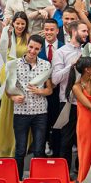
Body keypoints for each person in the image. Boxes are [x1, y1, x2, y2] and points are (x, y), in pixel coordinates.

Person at [9, 35, 53, 179]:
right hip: (21, 112)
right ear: (27, 45)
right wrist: (13, 97)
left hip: (40, 112)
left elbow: (50, 90)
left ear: (41, 50)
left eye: (37, 49)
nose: (33, 51)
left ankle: (38, 182)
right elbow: (8, 90)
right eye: (31, 47)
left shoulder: (46, 65)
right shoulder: (14, 64)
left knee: (39, 150)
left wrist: (40, 91)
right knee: (20, 150)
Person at [51, 21, 91, 172]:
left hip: (86, 102)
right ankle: (65, 177)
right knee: (66, 141)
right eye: (83, 31)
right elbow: (55, 79)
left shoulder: (88, 50)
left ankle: (81, 175)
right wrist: (72, 65)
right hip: (68, 102)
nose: (86, 34)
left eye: (87, 31)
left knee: (84, 140)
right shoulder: (61, 52)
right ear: (73, 32)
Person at [0, 12, 30, 158]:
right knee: (6, 108)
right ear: (13, 23)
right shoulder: (7, 36)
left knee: (20, 109)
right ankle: (3, 145)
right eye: (17, 23)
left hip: (22, 75)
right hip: (7, 74)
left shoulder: (28, 37)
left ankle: (18, 144)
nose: (20, 26)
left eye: (22, 23)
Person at [39, 19, 64, 158]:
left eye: (51, 29)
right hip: (40, 93)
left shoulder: (63, 47)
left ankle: (56, 155)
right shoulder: (37, 47)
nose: (49, 32)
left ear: (57, 31)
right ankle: (41, 155)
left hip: (58, 92)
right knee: (42, 125)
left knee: (57, 124)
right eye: (46, 29)